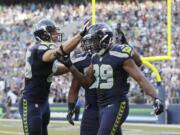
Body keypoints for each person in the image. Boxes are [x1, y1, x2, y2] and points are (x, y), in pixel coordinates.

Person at [57, 22, 164, 135]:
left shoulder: (119, 54)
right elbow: (86, 83)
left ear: (104, 40)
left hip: (117, 104)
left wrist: (156, 98)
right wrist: (70, 66)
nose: (90, 44)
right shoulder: (95, 57)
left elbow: (141, 78)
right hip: (101, 105)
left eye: (93, 41)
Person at [18, 18, 90, 135]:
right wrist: (80, 35)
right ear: (44, 34)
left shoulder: (43, 54)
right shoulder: (39, 48)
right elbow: (58, 52)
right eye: (52, 32)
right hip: (31, 102)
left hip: (43, 103)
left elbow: (59, 69)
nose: (56, 35)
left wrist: (78, 61)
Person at [66, 26, 142, 135]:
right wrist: (71, 107)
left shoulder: (115, 55)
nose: (90, 44)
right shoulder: (81, 60)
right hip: (91, 108)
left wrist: (127, 46)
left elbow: (139, 62)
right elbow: (75, 86)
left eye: (93, 40)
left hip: (111, 107)